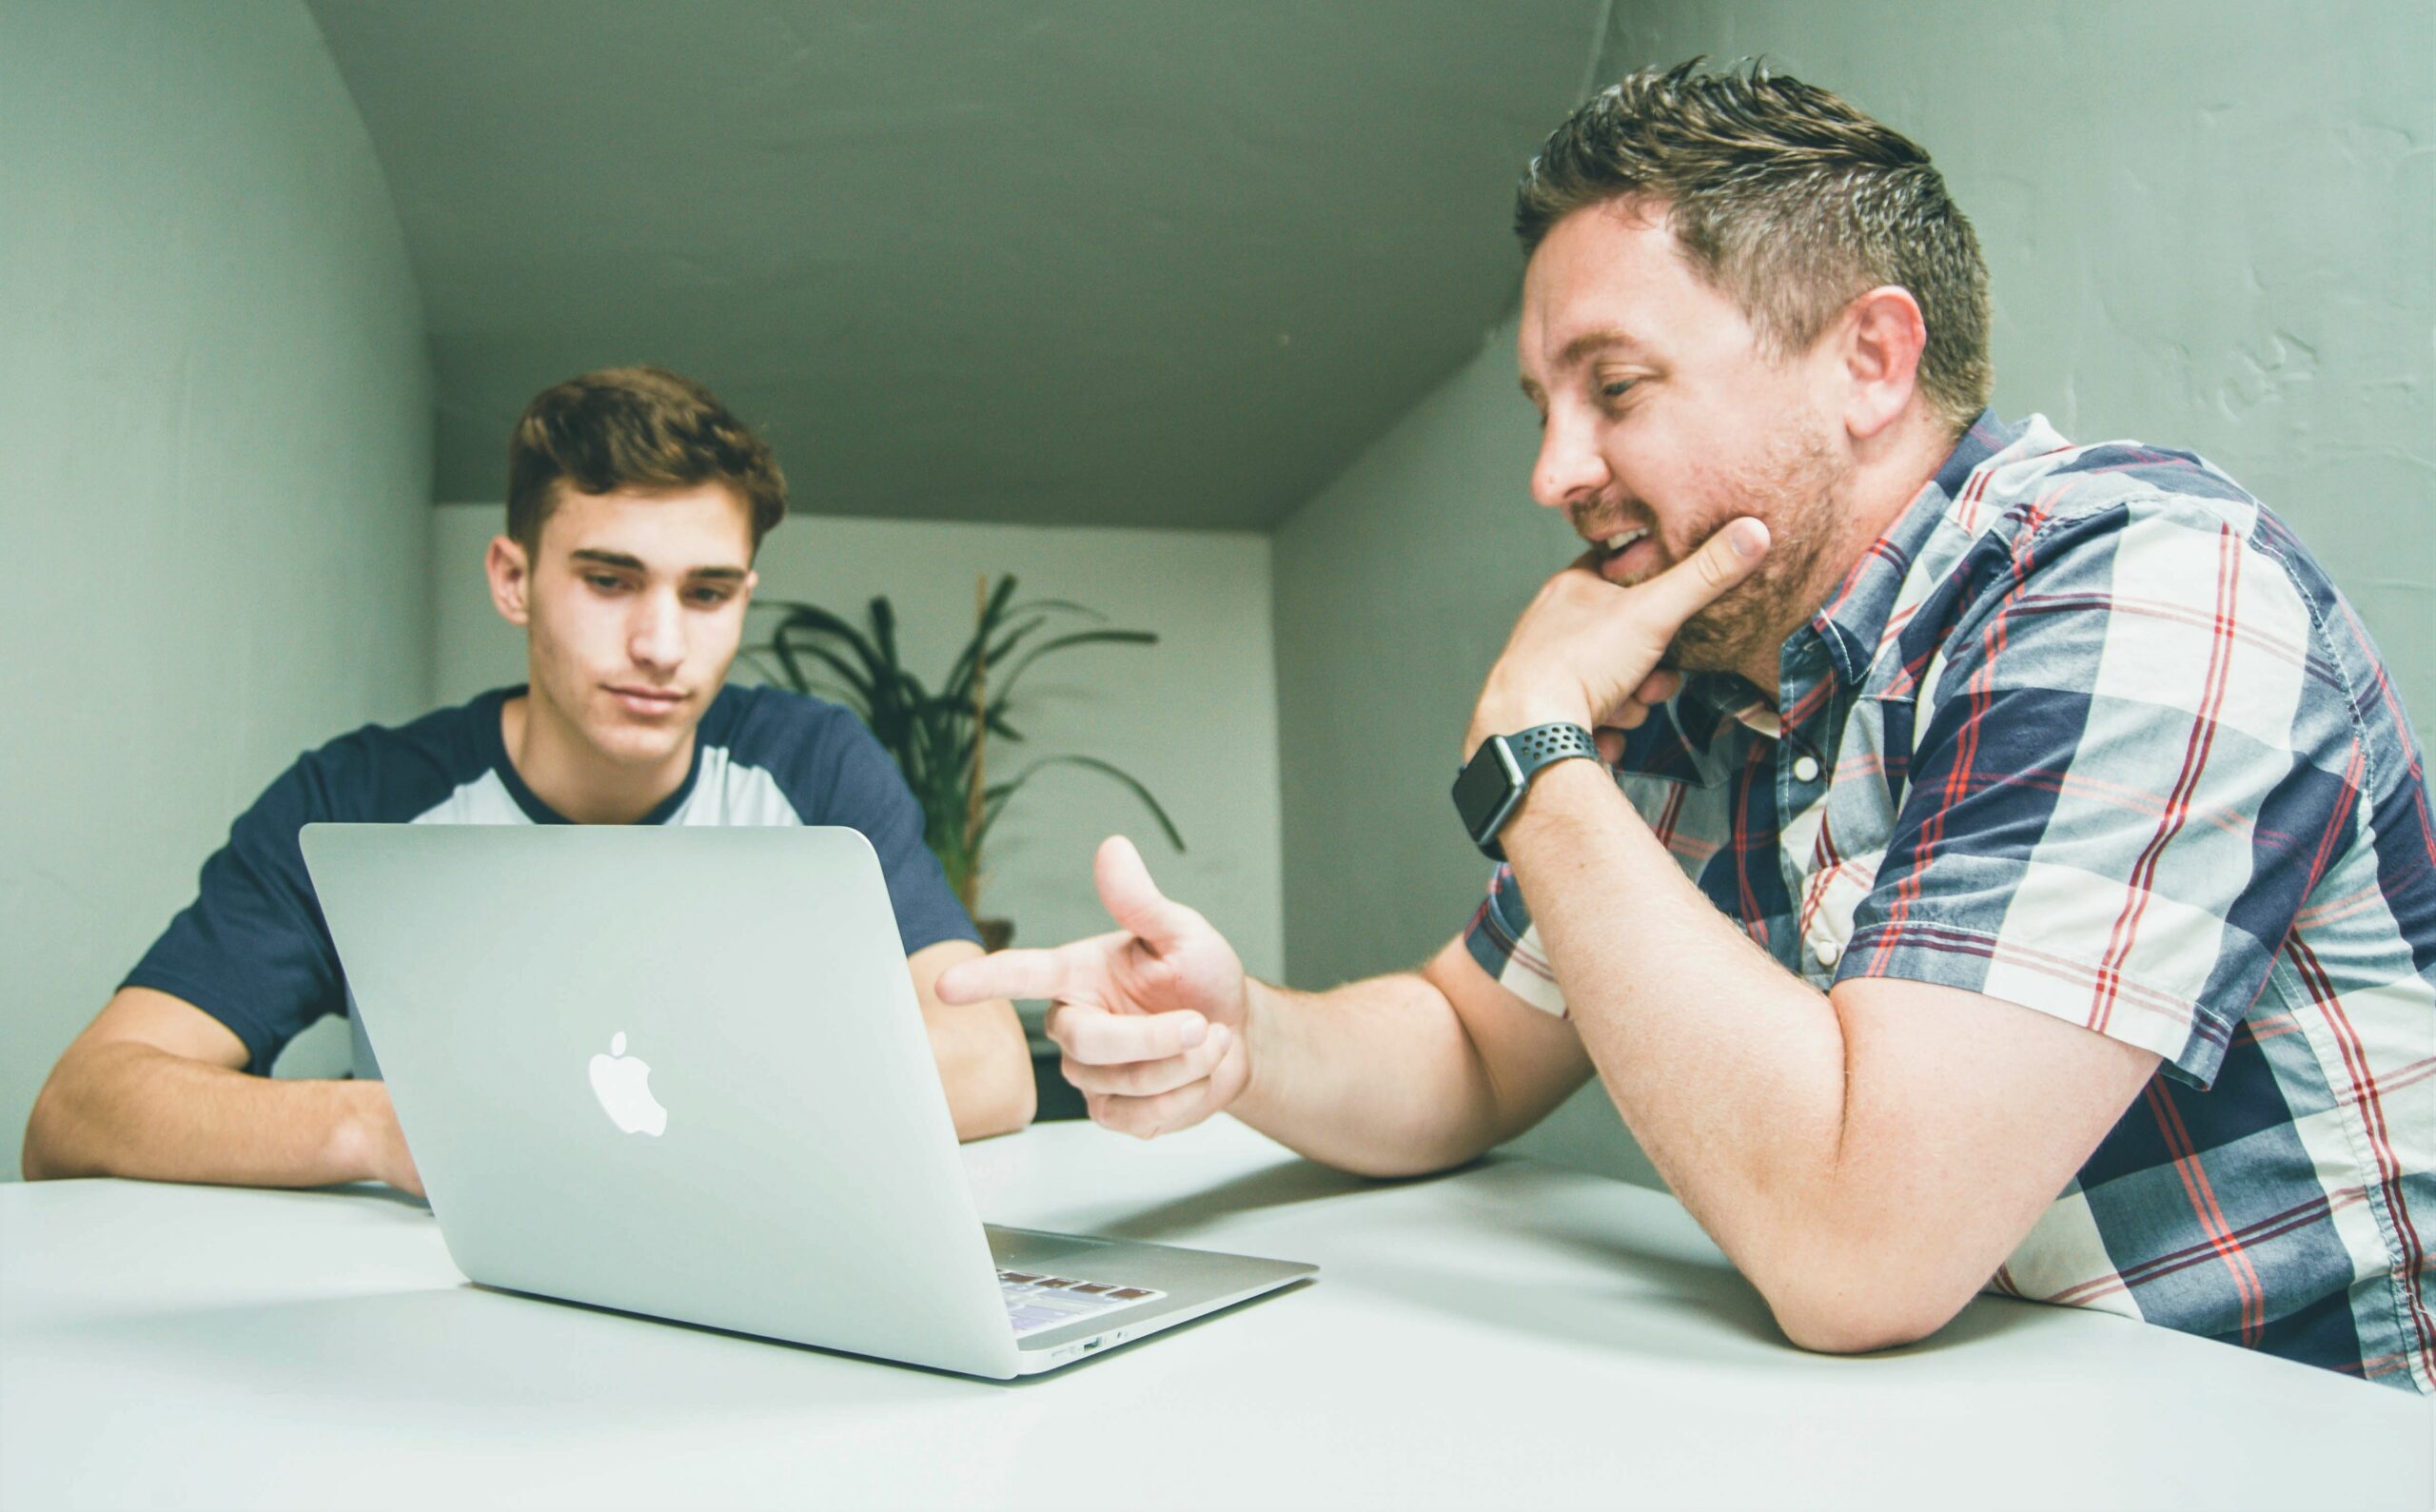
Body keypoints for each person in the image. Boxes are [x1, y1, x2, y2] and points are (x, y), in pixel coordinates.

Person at [939, 62, 2435, 1390]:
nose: (1553, 470)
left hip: (2295, 1434)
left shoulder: (2143, 585)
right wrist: (1243, 1034)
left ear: (1870, 359)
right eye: (1544, 404)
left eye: (1616, 389)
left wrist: (1534, 746)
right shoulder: (1714, 669)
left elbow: (1863, 1248)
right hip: (1964, 1425)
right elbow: (1473, 1040)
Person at [24, 365, 1034, 1194]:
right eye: (608, 580)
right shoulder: (360, 797)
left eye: (708, 592)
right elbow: (81, 1106)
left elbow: (991, 1066)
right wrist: (385, 1126)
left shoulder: (811, 765)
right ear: (514, 578)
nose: (661, 644)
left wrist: (642, 1108)